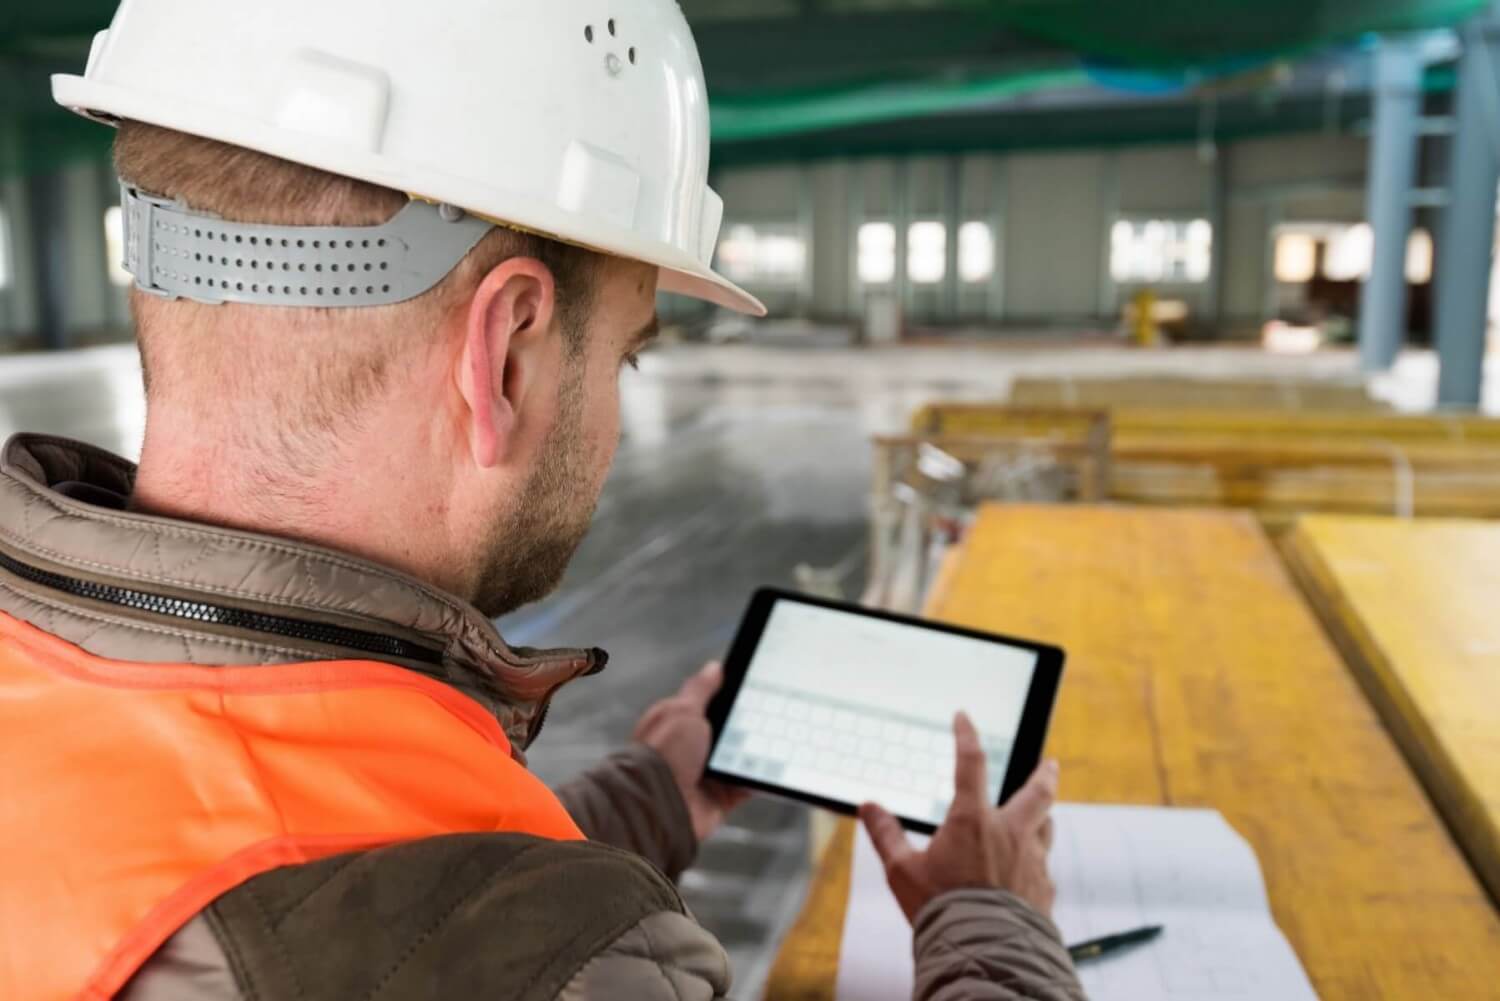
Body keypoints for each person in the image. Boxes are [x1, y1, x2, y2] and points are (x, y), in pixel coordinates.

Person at [0, 1, 1087, 998]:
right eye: (623, 357)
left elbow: (320, 884)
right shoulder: (595, 968)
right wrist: (990, 922)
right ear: (507, 352)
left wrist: (651, 802)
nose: (611, 412)